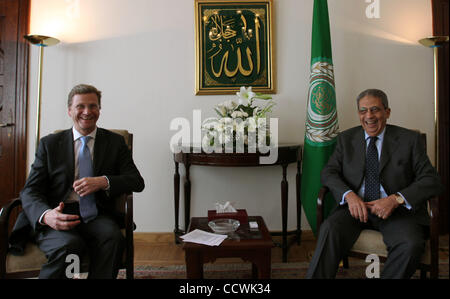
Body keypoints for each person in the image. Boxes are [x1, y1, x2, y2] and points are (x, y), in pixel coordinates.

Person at [306, 88, 443, 279]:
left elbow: (431, 179)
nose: (369, 116)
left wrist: (396, 199)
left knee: (410, 244)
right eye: (363, 111)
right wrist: (349, 196)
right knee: (329, 229)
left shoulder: (409, 140)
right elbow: (329, 172)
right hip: (356, 209)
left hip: (396, 212)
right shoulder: (347, 139)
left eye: (375, 110)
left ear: (387, 112)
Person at [18, 84, 145, 279]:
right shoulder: (50, 144)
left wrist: (103, 181)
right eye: (80, 106)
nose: (87, 112)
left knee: (113, 239)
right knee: (68, 245)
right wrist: (46, 215)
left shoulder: (115, 142)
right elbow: (30, 190)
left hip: (95, 213)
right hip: (58, 213)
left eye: (93, 106)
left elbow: (136, 181)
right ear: (70, 110)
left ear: (99, 110)